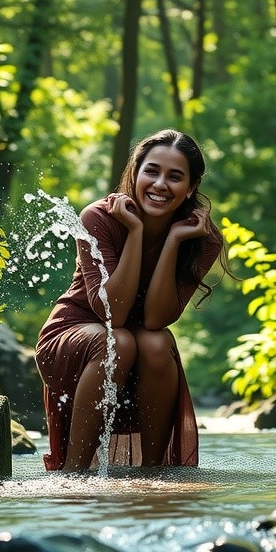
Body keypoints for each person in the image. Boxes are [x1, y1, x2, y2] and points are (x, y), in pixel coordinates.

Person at [35, 129, 225, 472]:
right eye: (151, 171)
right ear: (135, 173)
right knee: (117, 340)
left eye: (175, 176)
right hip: (75, 336)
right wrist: (135, 231)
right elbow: (115, 314)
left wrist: (173, 241)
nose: (160, 184)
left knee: (155, 342)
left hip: (136, 341)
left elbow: (154, 319)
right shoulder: (99, 217)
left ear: (191, 188)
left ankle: (153, 475)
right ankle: (73, 476)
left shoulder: (201, 239)